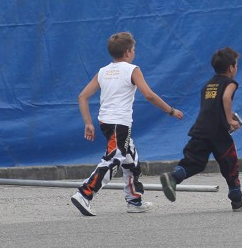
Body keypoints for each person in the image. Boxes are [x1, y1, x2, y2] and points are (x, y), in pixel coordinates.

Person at [71, 32, 185, 216]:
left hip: (106, 123)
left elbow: (82, 96)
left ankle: (134, 200)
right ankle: (85, 193)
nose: (134, 52)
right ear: (127, 52)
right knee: (114, 159)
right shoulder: (132, 69)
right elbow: (149, 95)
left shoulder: (103, 71)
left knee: (131, 159)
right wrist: (171, 111)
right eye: (134, 49)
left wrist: (88, 123)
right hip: (119, 124)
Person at [159, 47, 242, 212]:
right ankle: (237, 198)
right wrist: (229, 119)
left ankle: (173, 177)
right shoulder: (230, 83)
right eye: (236, 65)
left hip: (201, 129)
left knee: (194, 162)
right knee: (229, 162)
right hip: (218, 132)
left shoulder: (208, 85)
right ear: (231, 67)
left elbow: (211, 107)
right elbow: (225, 98)